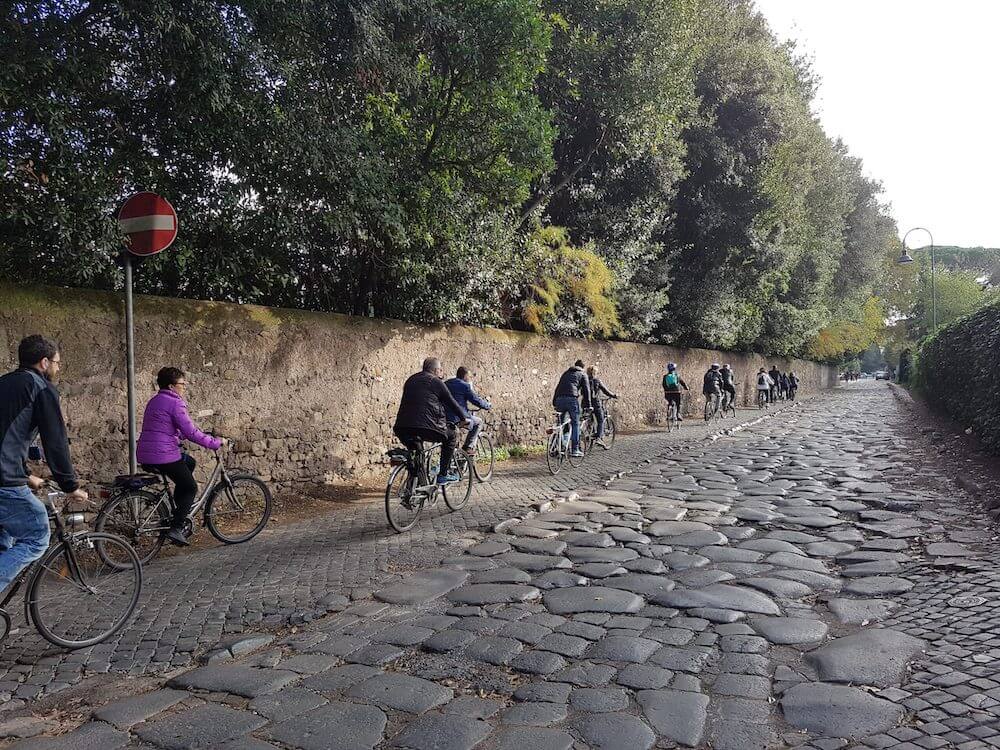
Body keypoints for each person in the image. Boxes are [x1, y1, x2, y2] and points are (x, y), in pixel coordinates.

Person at [0, 336, 88, 599]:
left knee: (5, 541)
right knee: (37, 535)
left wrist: (26, 475)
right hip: (4, 482)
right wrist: (70, 485)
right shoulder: (42, 388)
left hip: (9, 475)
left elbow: (7, 436)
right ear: (45, 361)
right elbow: (56, 442)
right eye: (58, 363)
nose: (58, 369)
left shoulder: (3, 383)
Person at [137, 367, 223, 546]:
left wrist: (180, 435)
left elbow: (164, 427)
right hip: (163, 454)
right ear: (171, 386)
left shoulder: (154, 401)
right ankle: (176, 527)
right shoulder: (175, 402)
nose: (184, 387)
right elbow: (191, 431)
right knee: (190, 487)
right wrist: (213, 442)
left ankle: (177, 508)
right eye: (182, 384)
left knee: (189, 463)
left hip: (146, 452)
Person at [394, 357, 468, 485]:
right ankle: (443, 475)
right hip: (428, 427)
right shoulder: (436, 381)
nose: (441, 372)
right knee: (451, 436)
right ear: (436, 370)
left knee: (417, 454)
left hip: (402, 427)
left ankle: (417, 488)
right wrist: (463, 419)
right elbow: (452, 403)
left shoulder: (410, 380)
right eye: (440, 370)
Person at [445, 367, 492, 454]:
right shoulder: (464, 386)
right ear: (465, 376)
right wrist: (487, 406)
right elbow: (475, 400)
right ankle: (467, 447)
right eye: (469, 376)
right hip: (459, 418)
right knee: (479, 422)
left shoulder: (446, 383)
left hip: (445, 417)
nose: (470, 378)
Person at [552, 360, 591, 458]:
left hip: (559, 399)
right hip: (571, 400)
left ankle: (559, 446)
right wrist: (589, 405)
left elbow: (558, 387)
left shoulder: (566, 373)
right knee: (575, 423)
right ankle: (575, 449)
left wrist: (554, 401)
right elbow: (586, 391)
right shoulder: (582, 374)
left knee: (561, 424)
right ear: (583, 367)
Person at [586, 365, 617, 449]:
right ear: (595, 372)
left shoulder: (585, 380)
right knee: (600, 419)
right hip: (595, 403)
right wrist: (613, 395)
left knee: (589, 419)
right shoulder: (597, 381)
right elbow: (605, 391)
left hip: (585, 404)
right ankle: (599, 438)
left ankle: (589, 433)